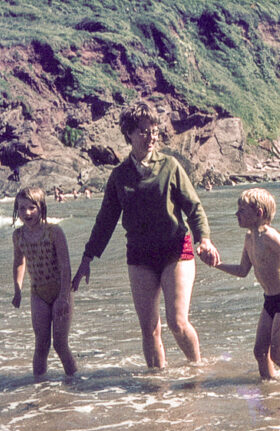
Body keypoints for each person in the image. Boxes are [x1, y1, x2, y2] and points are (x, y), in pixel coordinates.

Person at [71, 101, 220, 369]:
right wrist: (87, 257)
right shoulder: (119, 176)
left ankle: (198, 370)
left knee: (177, 322)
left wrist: (204, 239)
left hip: (177, 249)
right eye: (143, 131)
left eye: (154, 131)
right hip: (139, 255)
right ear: (128, 133)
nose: (151, 137)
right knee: (150, 330)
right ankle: (157, 395)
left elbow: (194, 207)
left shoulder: (170, 166)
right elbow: (105, 221)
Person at [214, 188, 280, 381]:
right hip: (269, 301)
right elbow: (242, 270)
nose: (236, 214)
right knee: (260, 352)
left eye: (242, 210)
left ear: (259, 213)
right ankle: (270, 390)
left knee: (278, 355)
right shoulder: (249, 238)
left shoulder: (269, 236)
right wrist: (217, 264)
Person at [12, 187, 77, 377]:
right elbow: (18, 263)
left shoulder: (54, 232)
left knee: (59, 344)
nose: (27, 213)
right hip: (37, 293)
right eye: (22, 208)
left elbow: (66, 266)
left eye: (31, 207)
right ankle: (39, 386)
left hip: (61, 290)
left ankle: (74, 381)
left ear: (41, 207)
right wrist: (18, 290)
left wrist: (64, 297)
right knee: (41, 343)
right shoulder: (18, 236)